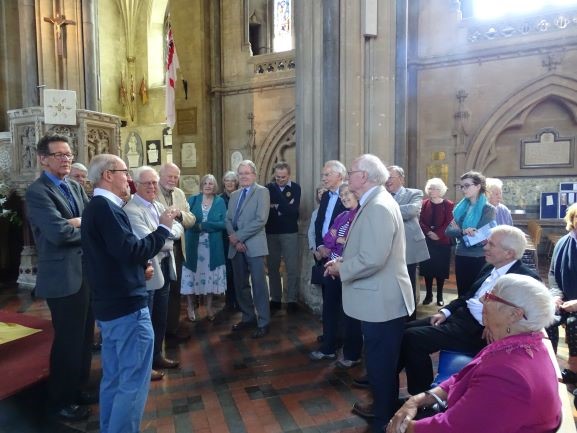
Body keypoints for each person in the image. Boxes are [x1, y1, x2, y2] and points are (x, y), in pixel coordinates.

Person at [387, 274, 561, 433]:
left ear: (514, 314)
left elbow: (453, 429)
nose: (482, 299)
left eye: (490, 296)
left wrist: (402, 427)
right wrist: (420, 399)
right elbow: (465, 375)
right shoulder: (518, 342)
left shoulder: (508, 375)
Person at [82, 154, 176, 433]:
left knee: (113, 377)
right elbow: (131, 250)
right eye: (125, 172)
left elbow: (116, 256)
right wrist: (162, 229)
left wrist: (137, 268)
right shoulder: (107, 209)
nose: (129, 180)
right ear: (108, 175)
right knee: (133, 382)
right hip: (127, 308)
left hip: (111, 304)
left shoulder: (96, 207)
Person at [325, 154, 414, 433]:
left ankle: (383, 419)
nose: (348, 176)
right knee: (378, 360)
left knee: (381, 363)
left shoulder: (377, 206)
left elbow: (373, 258)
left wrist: (342, 269)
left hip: (382, 300)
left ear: (363, 177)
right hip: (377, 298)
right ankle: (382, 408)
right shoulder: (374, 202)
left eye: (351, 172)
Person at [399, 225, 540, 397]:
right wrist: (445, 312)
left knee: (413, 338)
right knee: (403, 329)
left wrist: (492, 324)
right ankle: (384, 377)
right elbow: (467, 296)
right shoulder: (489, 267)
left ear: (509, 253)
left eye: (491, 244)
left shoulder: (526, 279)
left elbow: (526, 317)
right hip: (461, 317)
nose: (485, 247)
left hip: (477, 332)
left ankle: (421, 398)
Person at [25, 134, 94, 421]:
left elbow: (93, 220)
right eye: (59, 155)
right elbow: (58, 233)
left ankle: (77, 388)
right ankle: (59, 401)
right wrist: (79, 225)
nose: (66, 159)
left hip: (85, 274)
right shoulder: (38, 192)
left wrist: (79, 223)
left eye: (68, 154)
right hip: (62, 277)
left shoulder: (75, 187)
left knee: (85, 338)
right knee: (67, 341)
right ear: (43, 159)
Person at [124, 166, 184, 381]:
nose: (151, 187)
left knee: (160, 316)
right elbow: (147, 243)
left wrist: (163, 234)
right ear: (137, 185)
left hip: (166, 268)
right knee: (145, 321)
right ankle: (144, 365)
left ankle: (157, 355)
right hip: (149, 270)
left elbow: (178, 230)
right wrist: (165, 236)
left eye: (153, 183)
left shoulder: (158, 204)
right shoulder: (131, 210)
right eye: (147, 183)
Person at [310, 183, 362, 368]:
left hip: (350, 269)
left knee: (351, 314)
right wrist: (339, 240)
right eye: (342, 195)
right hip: (332, 268)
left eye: (348, 193)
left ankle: (352, 354)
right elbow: (328, 240)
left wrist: (341, 240)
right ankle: (328, 348)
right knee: (330, 309)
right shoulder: (342, 216)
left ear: (357, 194)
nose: (345, 197)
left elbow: (356, 243)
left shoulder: (362, 215)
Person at [226, 160, 271, 338]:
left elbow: (261, 220)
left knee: (259, 285)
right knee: (240, 284)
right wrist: (235, 240)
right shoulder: (234, 195)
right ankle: (248, 317)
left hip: (254, 246)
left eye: (246, 173)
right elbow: (228, 219)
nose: (243, 176)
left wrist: (239, 236)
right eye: (241, 173)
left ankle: (264, 321)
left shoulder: (262, 192)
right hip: (236, 246)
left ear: (254, 175)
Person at [156, 163, 196, 344]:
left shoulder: (179, 194)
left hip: (177, 249)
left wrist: (179, 214)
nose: (172, 180)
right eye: (169, 176)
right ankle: (157, 333)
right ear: (160, 175)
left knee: (174, 290)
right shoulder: (151, 190)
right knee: (158, 291)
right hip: (157, 250)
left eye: (175, 176)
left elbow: (192, 218)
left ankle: (171, 328)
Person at [385, 166, 430, 318]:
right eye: (386, 177)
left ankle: (410, 320)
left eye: (391, 177)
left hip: (408, 247)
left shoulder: (414, 193)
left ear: (401, 178)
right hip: (387, 247)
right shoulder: (383, 195)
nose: (387, 180)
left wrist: (385, 209)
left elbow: (412, 211)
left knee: (408, 284)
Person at [182, 174, 227, 321]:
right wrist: (198, 226)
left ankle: (208, 307)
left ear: (215, 187)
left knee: (209, 277)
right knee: (191, 276)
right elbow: (187, 222)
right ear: (201, 185)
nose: (208, 186)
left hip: (212, 248)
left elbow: (223, 224)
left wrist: (203, 225)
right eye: (206, 183)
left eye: (211, 184)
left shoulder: (220, 201)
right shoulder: (193, 200)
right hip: (193, 246)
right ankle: (190, 306)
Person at [445, 171, 496, 297]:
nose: (463, 189)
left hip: (479, 257)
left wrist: (461, 234)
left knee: (476, 293)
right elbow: (448, 231)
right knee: (462, 291)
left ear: (478, 186)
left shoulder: (488, 209)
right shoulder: (461, 208)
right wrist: (464, 231)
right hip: (461, 254)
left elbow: (479, 239)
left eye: (467, 185)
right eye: (461, 186)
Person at [314, 160, 347, 342]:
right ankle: (330, 333)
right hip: (324, 253)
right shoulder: (326, 196)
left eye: (327, 175)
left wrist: (331, 248)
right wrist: (320, 246)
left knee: (340, 299)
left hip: (339, 256)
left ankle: (339, 336)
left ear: (339, 176)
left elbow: (346, 228)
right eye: (323, 175)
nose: (324, 178)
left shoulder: (347, 196)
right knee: (328, 297)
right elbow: (320, 223)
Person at [265, 162, 301, 313]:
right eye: (277, 177)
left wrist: (277, 202)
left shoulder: (295, 188)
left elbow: (293, 212)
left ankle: (292, 299)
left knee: (291, 267)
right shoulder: (267, 188)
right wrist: (284, 205)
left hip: (289, 232)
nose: (280, 180)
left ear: (289, 175)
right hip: (271, 232)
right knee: (272, 267)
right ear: (274, 175)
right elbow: (268, 211)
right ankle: (276, 298)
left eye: (283, 177)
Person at [547, 203, 577, 382]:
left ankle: (574, 370)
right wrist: (556, 295)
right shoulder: (564, 242)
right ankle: (549, 367)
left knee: (574, 323)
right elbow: (552, 273)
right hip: (565, 300)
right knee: (548, 320)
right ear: (572, 220)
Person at [418, 178, 454, 307]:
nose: (432, 191)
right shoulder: (423, 203)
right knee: (428, 269)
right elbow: (420, 221)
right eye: (431, 188)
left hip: (442, 241)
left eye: (436, 188)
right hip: (427, 241)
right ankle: (428, 295)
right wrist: (429, 233)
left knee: (440, 270)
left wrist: (438, 234)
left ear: (441, 190)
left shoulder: (448, 204)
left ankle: (439, 295)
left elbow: (449, 222)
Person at [220, 171, 239, 312]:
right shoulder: (219, 199)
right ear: (224, 182)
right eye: (227, 180)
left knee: (240, 271)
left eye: (233, 180)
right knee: (228, 271)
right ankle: (229, 301)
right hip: (224, 239)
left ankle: (240, 302)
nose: (230, 183)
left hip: (239, 238)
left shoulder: (240, 196)